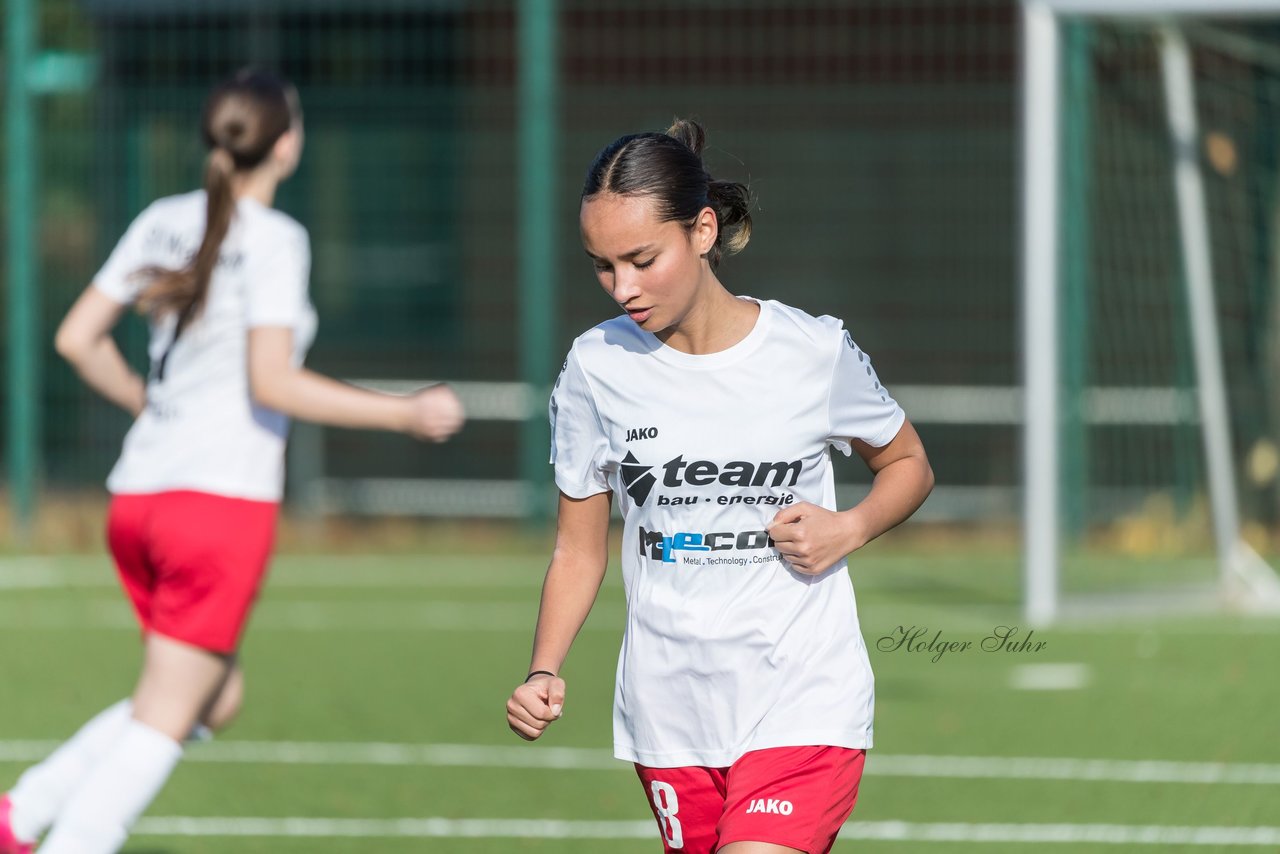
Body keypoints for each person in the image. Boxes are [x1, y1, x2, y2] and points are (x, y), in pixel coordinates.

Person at [0, 69, 464, 854]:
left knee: (212, 696)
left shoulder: (160, 219)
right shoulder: (277, 239)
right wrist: (403, 411)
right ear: (285, 144)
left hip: (138, 499)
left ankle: (20, 814)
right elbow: (272, 381)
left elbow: (76, 338)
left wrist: (148, 409)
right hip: (216, 506)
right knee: (169, 714)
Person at [505, 119, 933, 854]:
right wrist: (543, 668)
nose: (624, 288)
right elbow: (578, 551)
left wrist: (850, 527)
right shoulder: (594, 369)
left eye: (642, 258)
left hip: (805, 697)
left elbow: (908, 464)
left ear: (702, 230)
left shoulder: (810, 351)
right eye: (603, 266)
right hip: (671, 709)